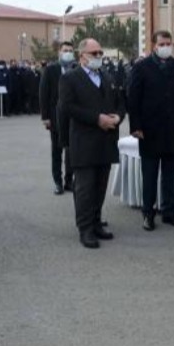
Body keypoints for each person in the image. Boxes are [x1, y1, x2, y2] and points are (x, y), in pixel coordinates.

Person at [58, 38, 124, 249]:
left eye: (100, 53)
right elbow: (67, 107)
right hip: (84, 140)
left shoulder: (106, 76)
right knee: (85, 188)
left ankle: (96, 222)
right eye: (94, 53)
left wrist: (118, 117)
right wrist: (97, 118)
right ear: (82, 56)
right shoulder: (70, 78)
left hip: (106, 140)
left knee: (100, 186)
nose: (98, 57)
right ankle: (85, 228)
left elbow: (120, 101)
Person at [127, 30, 174, 231]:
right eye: (162, 43)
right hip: (149, 131)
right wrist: (135, 126)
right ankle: (148, 213)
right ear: (154, 46)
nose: (166, 47)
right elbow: (133, 99)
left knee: (169, 175)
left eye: (169, 43)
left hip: (172, 129)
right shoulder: (142, 68)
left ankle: (169, 212)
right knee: (149, 175)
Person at [40, 42, 77, 195]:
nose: (68, 53)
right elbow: (43, 93)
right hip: (55, 117)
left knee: (71, 152)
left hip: (72, 117)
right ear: (59, 53)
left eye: (70, 50)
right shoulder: (50, 69)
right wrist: (45, 117)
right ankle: (58, 182)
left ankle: (69, 180)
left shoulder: (77, 69)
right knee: (56, 151)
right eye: (65, 50)